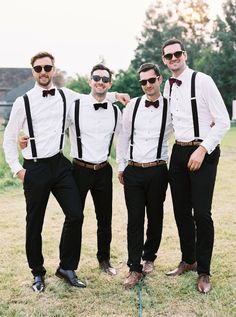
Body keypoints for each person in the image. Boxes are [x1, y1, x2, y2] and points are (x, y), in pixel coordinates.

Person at [3, 52, 129, 292]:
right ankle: (37, 273)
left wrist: (115, 95)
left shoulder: (65, 95)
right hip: (35, 167)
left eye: (47, 67)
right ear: (33, 72)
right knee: (34, 224)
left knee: (75, 215)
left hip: (60, 165)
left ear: (53, 69)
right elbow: (9, 138)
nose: (43, 72)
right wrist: (17, 169)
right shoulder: (23, 102)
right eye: (38, 68)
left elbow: (92, 96)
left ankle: (66, 268)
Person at [161, 39, 230, 293]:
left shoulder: (203, 81)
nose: (173, 58)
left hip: (204, 150)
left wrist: (202, 149)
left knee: (201, 213)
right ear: (164, 61)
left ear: (185, 55)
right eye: (168, 56)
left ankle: (204, 271)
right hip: (179, 151)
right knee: (181, 211)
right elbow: (168, 124)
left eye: (177, 53)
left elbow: (222, 120)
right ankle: (188, 260)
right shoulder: (167, 88)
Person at [117, 63, 172, 289]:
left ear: (159, 79)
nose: (147, 85)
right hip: (134, 170)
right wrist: (121, 166)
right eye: (143, 82)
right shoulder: (132, 106)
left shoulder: (171, 106)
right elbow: (123, 137)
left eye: (151, 80)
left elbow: (188, 124)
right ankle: (134, 267)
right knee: (135, 219)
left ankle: (149, 256)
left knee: (156, 216)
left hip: (158, 169)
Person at [68, 64, 122, 276]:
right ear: (90, 81)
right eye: (96, 78)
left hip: (103, 170)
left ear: (109, 84)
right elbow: (55, 127)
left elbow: (123, 139)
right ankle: (69, 266)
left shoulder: (115, 111)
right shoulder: (75, 106)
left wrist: (123, 165)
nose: (100, 81)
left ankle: (104, 260)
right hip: (79, 169)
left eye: (105, 79)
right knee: (74, 218)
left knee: (105, 219)